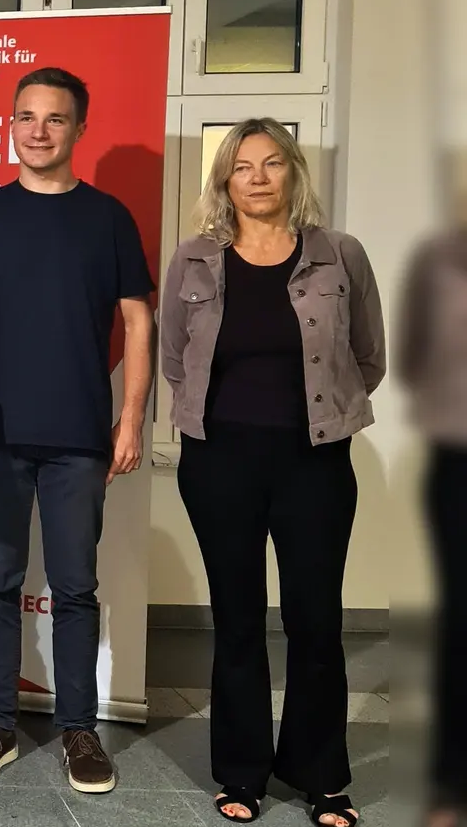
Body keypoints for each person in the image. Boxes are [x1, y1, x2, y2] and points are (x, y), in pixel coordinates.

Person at [163, 118, 384, 827]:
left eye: (271, 164)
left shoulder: (339, 254)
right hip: (219, 462)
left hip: (313, 463)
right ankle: (242, 770)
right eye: (242, 167)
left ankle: (321, 774)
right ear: (224, 181)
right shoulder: (194, 260)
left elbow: (368, 357)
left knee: (316, 620)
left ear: (293, 172)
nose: (257, 178)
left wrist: (322, 415)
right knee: (236, 619)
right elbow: (175, 359)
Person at [0, 67, 155, 794]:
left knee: (75, 588)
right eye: (26, 117)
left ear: (79, 128)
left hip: (79, 434)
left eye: (55, 118)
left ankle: (79, 731)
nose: (38, 131)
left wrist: (131, 417)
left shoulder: (108, 218)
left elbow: (138, 320)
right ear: (11, 125)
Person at [398, 222, 467, 827]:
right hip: (459, 460)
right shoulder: (440, 258)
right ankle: (453, 785)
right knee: (461, 622)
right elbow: (411, 358)